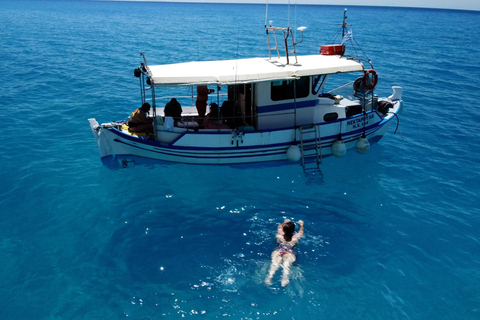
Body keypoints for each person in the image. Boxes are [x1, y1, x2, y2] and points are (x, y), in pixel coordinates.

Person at [265, 219, 304, 287]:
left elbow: (279, 227)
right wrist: (301, 225)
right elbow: (301, 232)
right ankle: (284, 279)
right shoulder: (295, 238)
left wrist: (285, 222)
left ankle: (269, 278)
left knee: (274, 265)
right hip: (289, 252)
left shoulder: (279, 236)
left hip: (278, 251)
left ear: (283, 230)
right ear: (294, 231)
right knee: (286, 266)